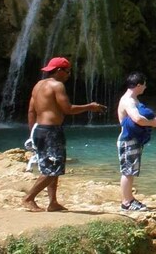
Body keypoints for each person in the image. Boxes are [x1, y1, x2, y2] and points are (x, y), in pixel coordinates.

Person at [22, 57, 105, 212]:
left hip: (39, 130)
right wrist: (90, 106)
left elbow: (31, 111)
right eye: (67, 71)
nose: (69, 75)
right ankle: (28, 198)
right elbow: (68, 109)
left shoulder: (38, 85)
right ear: (59, 71)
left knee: (51, 166)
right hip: (51, 131)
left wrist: (32, 133)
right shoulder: (57, 85)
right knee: (54, 168)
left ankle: (53, 202)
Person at [116, 72, 156, 212]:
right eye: (144, 84)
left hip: (133, 139)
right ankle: (126, 202)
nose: (145, 87)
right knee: (127, 170)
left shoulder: (133, 99)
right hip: (127, 140)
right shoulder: (128, 101)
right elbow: (137, 119)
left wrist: (154, 121)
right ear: (138, 85)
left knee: (131, 170)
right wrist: (153, 123)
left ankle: (129, 199)